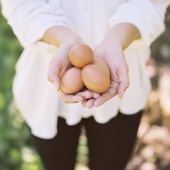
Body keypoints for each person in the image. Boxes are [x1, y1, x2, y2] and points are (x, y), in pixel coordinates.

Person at [1, 0, 170, 170]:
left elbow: (152, 2)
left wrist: (116, 39)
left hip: (121, 82)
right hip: (47, 90)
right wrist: (62, 37)